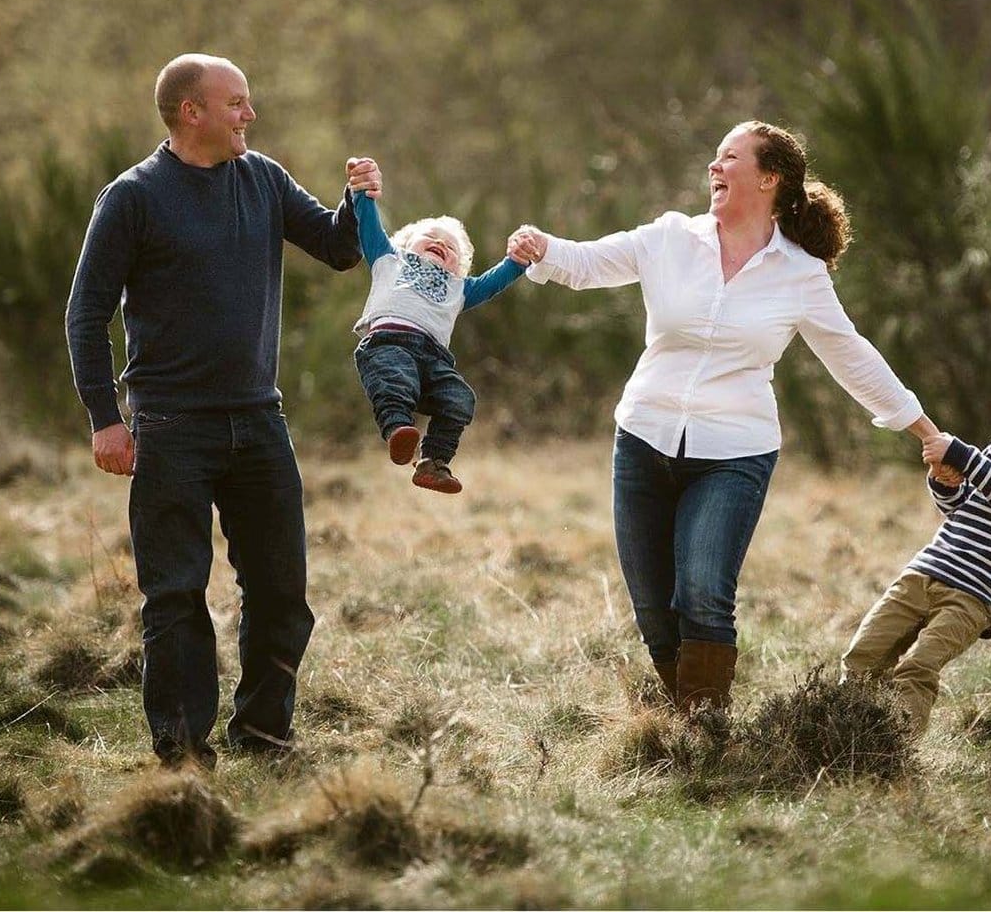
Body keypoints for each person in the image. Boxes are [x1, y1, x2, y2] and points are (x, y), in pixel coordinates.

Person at [507, 121, 939, 712]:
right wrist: (541, 247)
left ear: (768, 179)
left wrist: (923, 429)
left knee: (705, 591)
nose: (715, 167)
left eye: (729, 157)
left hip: (734, 452)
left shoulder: (800, 274)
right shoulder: (670, 239)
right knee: (654, 609)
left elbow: (851, 354)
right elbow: (586, 264)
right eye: (715, 157)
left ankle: (705, 733)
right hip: (643, 438)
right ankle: (688, 734)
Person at [65, 52, 383, 768]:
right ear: (192, 112)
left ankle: (265, 735)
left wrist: (358, 200)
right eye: (237, 102)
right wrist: (104, 417)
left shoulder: (263, 179)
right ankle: (181, 755)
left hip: (259, 421)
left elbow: (336, 249)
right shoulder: (132, 197)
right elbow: (84, 315)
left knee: (281, 591)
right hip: (171, 428)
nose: (250, 114)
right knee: (175, 596)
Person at [839, 358, 991, 738]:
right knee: (863, 655)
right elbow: (959, 508)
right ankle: (839, 733)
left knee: (918, 668)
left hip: (975, 596)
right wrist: (947, 482)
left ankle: (893, 752)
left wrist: (963, 456)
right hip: (927, 571)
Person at [349, 179, 528, 494]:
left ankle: (434, 462)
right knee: (396, 380)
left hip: (434, 359)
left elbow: (493, 281)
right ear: (403, 244)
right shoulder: (389, 260)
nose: (442, 245)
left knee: (460, 398)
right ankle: (398, 431)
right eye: (431, 238)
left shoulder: (458, 288)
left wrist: (517, 261)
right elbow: (370, 228)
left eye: (452, 249)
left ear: (459, 268)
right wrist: (363, 193)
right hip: (388, 343)